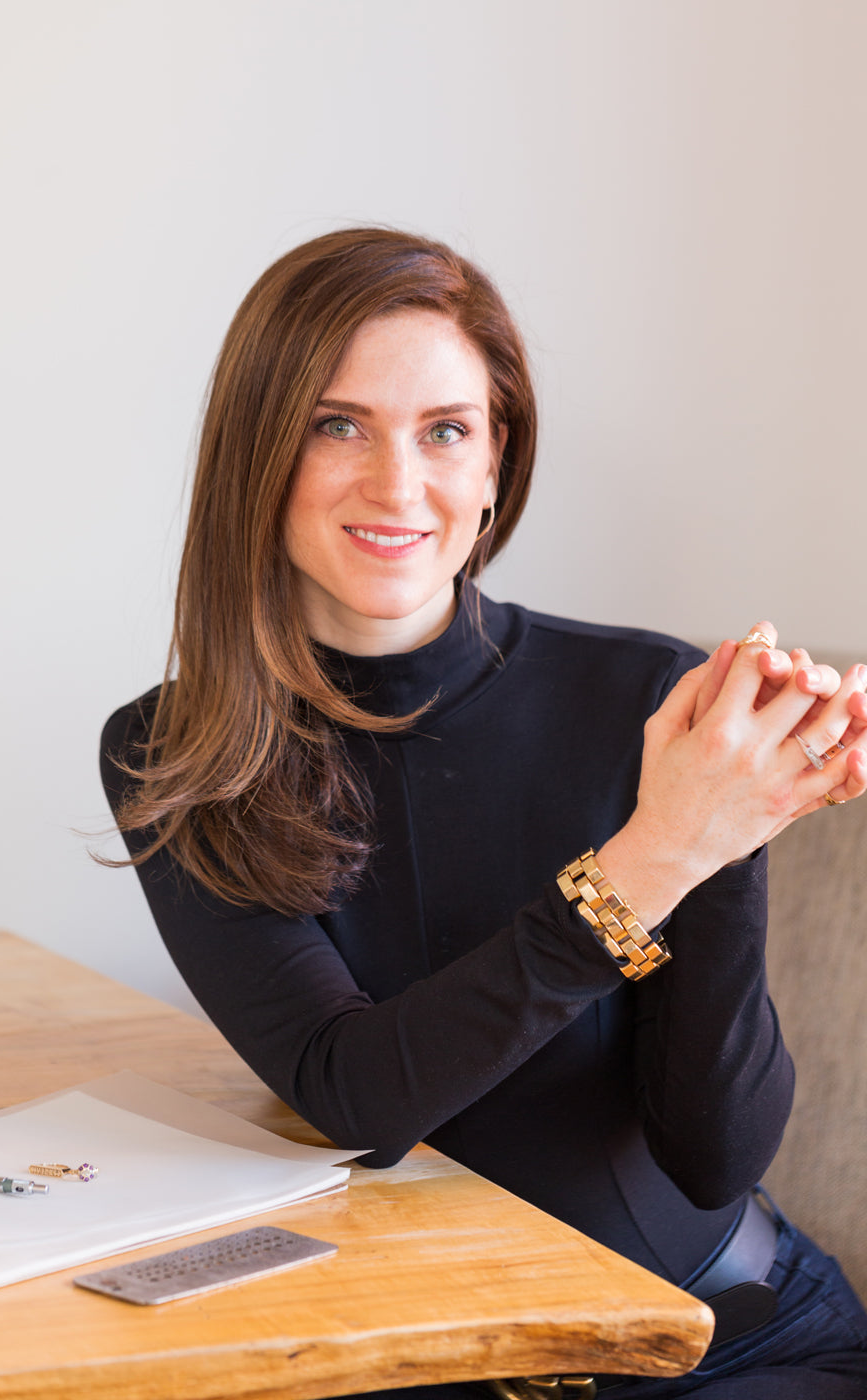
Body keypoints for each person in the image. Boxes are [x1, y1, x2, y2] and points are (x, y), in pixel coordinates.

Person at [100, 227, 867, 1398]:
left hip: (736, 1344)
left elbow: (714, 1153)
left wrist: (729, 826)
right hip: (433, 1368)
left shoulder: (654, 698)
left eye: (445, 430)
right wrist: (659, 851)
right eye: (337, 424)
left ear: (497, 461)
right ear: (259, 448)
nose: (396, 483)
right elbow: (359, 1098)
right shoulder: (177, 753)